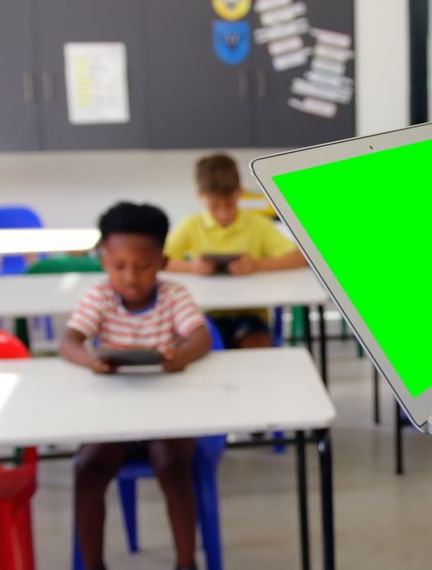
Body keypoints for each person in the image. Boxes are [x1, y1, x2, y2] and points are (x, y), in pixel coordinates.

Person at [61, 202, 212, 570]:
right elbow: (69, 342)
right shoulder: (100, 297)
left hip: (166, 419)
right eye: (119, 265)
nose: (130, 277)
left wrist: (180, 357)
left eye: (143, 266)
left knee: (174, 467)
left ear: (162, 262)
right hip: (112, 420)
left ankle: (186, 563)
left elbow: (200, 337)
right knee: (88, 470)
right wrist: (91, 361)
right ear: (104, 261)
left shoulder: (174, 295)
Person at [165, 153, 306, 347]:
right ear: (200, 196)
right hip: (203, 315)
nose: (223, 213)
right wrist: (192, 267)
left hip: (250, 315)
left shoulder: (258, 224)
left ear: (239, 192)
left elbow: (300, 258)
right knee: (196, 346)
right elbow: (159, 261)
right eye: (214, 206)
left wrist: (257, 265)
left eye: (229, 204)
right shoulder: (191, 225)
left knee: (255, 344)